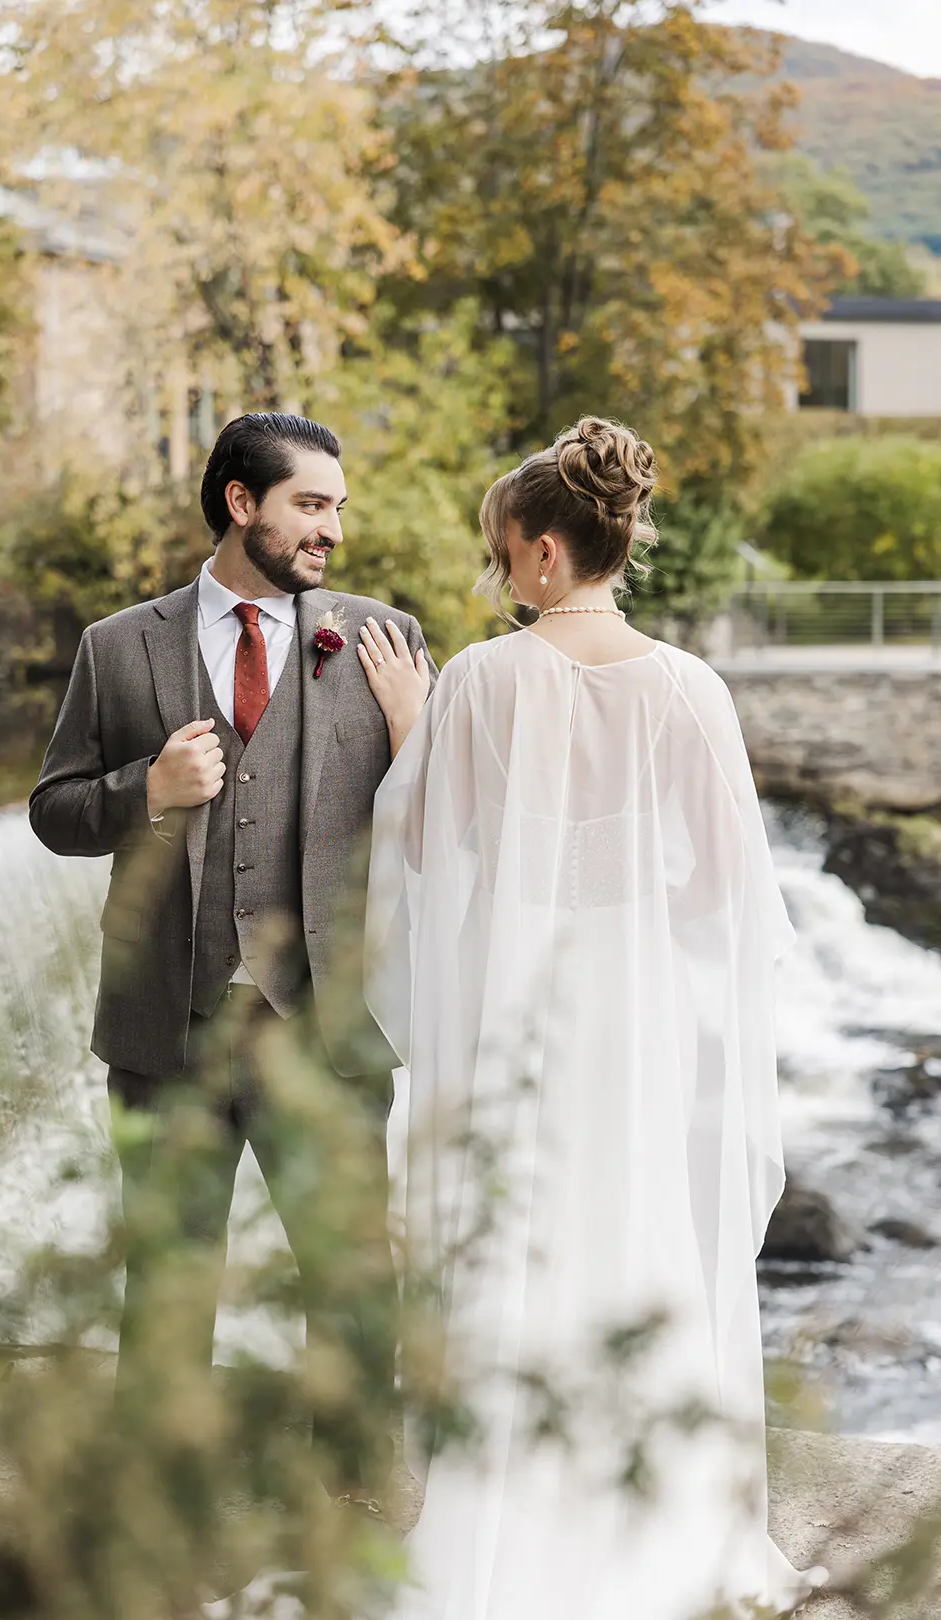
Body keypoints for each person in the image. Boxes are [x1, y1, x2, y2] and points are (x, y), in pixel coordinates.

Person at [359, 416, 830, 1619]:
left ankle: (509, 1525)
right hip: (642, 1037)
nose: (499, 572)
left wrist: (413, 733)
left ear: (540, 553)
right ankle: (660, 1515)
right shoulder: (692, 692)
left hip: (519, 1032)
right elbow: (739, 909)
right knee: (644, 1238)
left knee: (520, 1245)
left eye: (502, 551)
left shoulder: (474, 682)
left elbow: (422, 862)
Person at [29, 411, 434, 1511]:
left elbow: (442, 828)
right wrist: (142, 794)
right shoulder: (121, 644)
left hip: (328, 1025)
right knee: (167, 1277)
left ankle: (353, 1489)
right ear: (240, 503)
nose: (333, 531)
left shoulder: (382, 639)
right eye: (312, 504)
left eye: (339, 508)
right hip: (171, 1026)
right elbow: (55, 812)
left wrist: (418, 738)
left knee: (350, 1276)